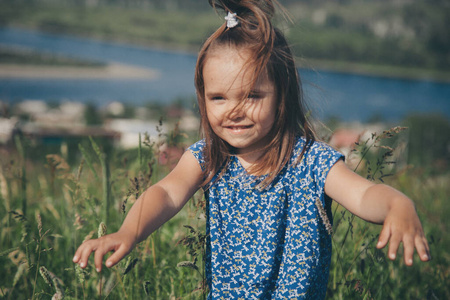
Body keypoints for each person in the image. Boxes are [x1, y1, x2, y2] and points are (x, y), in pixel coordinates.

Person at [73, 0, 430, 298]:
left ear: (282, 98)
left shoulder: (310, 161)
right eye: (218, 98)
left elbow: (365, 196)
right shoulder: (208, 158)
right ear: (203, 99)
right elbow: (165, 194)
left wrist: (398, 204)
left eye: (253, 96)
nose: (235, 110)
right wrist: (128, 232)